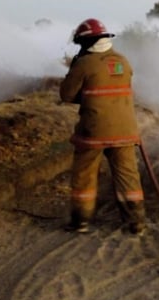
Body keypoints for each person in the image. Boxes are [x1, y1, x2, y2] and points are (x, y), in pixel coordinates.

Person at [60, 18, 146, 234]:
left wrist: (74, 70)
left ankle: (80, 221)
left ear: (87, 43)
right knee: (128, 176)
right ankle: (136, 223)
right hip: (126, 130)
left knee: (85, 175)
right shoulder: (123, 62)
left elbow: (66, 94)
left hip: (94, 132)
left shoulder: (85, 63)